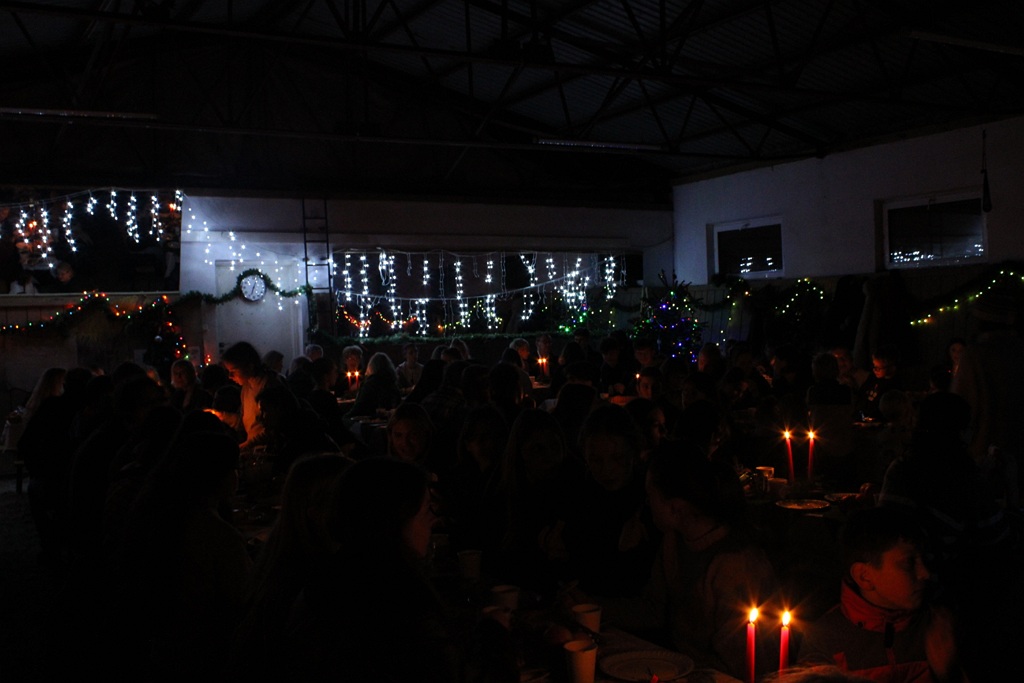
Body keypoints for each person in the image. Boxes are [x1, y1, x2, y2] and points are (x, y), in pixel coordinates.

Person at [285, 457, 516, 683]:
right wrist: (495, 633)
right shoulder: (401, 602)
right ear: (395, 521)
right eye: (425, 510)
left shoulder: (323, 580)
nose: (432, 520)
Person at [585, 445, 776, 679]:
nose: (646, 504)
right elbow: (653, 610)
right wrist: (591, 607)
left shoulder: (734, 566)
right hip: (682, 668)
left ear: (675, 508)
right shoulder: (674, 542)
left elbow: (742, 663)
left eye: (650, 496)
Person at [797, 507, 968, 683]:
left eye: (924, 559)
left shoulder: (939, 628)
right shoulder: (825, 640)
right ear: (864, 576)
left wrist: (949, 673)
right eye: (908, 563)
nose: (925, 573)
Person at [221, 341, 284, 452]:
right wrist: (221, 416)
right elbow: (245, 422)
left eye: (233, 371)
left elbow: (273, 430)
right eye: (228, 371)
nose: (230, 376)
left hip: (271, 452)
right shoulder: (246, 388)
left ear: (250, 366)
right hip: (255, 450)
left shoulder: (269, 386)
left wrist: (246, 445)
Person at [345, 352, 401, 418]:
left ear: (371, 367)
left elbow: (358, 408)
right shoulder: (393, 383)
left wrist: (345, 418)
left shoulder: (370, 385)